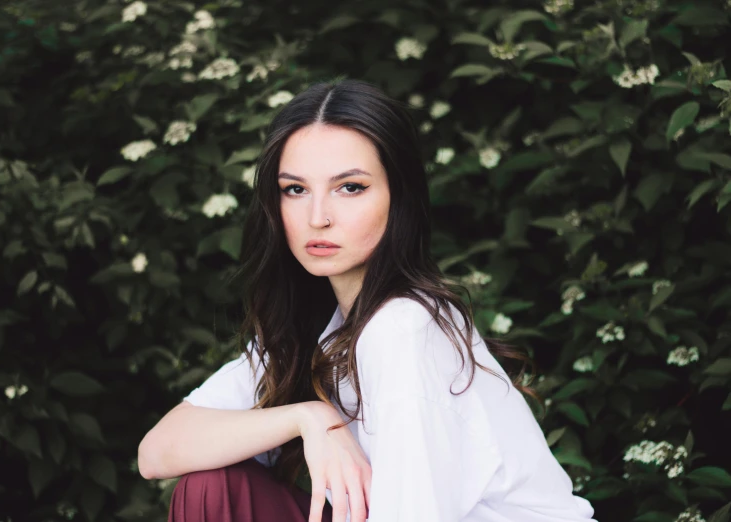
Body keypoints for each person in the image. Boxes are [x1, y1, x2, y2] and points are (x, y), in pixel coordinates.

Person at [137, 78, 597, 522]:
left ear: (399, 199)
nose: (318, 217)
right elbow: (157, 452)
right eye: (295, 189)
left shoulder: (404, 327)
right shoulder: (316, 327)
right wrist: (310, 417)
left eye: (350, 187)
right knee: (210, 489)